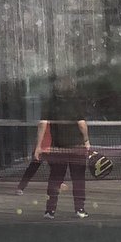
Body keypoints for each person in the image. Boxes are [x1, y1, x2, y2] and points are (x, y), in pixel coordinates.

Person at [37, 76, 90, 219]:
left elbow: (42, 124)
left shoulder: (50, 103)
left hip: (59, 149)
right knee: (78, 179)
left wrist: (38, 146)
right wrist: (86, 141)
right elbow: (82, 124)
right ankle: (80, 209)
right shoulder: (77, 103)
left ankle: (50, 210)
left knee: (55, 179)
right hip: (76, 149)